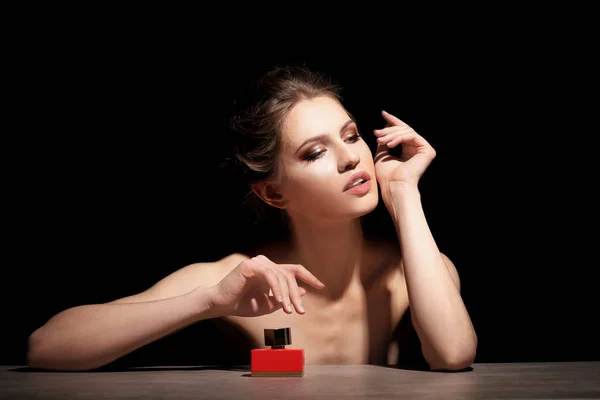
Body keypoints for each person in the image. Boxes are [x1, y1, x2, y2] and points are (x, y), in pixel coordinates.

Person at [26, 64, 477, 372]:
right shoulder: (237, 277)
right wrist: (210, 302)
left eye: (352, 135)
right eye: (315, 152)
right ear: (274, 192)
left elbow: (453, 355)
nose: (350, 159)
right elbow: (46, 346)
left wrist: (403, 192)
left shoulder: (413, 272)